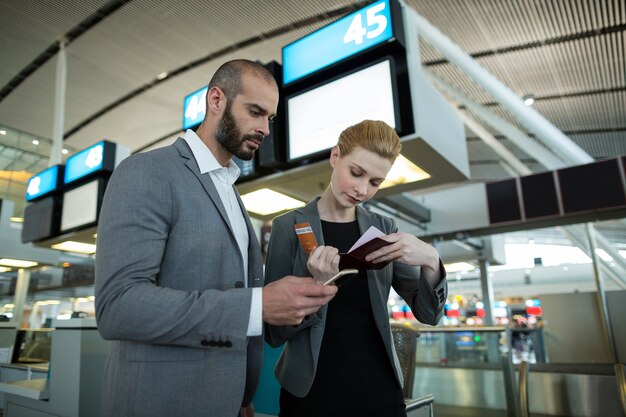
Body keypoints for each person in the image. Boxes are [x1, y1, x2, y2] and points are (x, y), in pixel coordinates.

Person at [94, 59, 337, 417]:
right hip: (160, 404)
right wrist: (257, 307)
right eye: (255, 112)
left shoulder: (232, 195)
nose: (265, 129)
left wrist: (239, 397)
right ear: (216, 100)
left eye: (269, 118)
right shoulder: (147, 171)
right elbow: (119, 306)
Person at [264, 120, 448, 417]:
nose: (362, 189)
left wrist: (431, 260)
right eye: (356, 173)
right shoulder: (288, 227)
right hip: (312, 389)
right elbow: (274, 332)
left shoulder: (383, 228)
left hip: (378, 386)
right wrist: (318, 287)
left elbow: (429, 313)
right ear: (335, 156)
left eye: (375, 182)